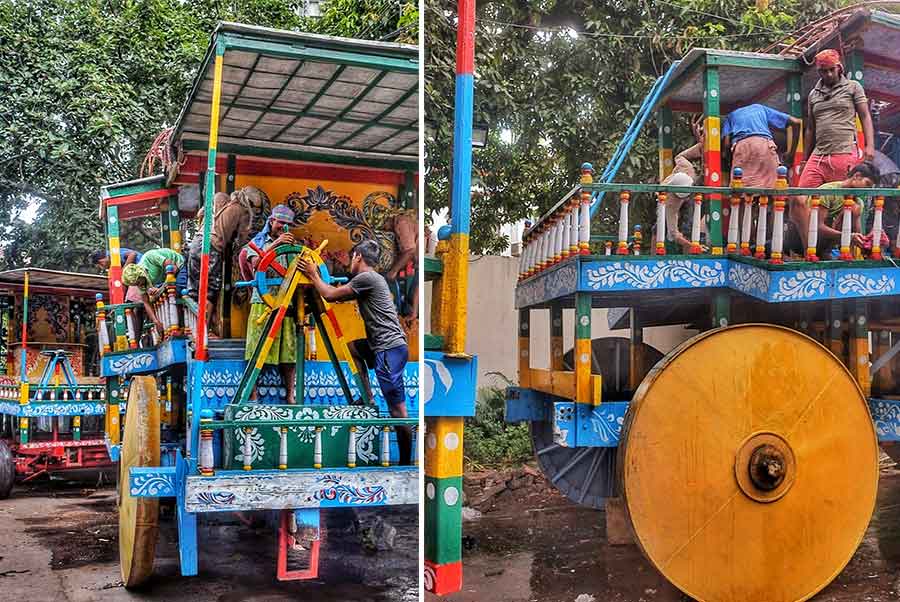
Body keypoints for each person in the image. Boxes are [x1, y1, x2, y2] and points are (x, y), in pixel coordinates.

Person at [299, 239, 411, 466]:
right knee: (353, 348)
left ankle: (406, 465)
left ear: (358, 256)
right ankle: (367, 396)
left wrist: (313, 275)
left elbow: (330, 295)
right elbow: (339, 293)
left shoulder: (368, 278)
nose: (350, 261)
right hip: (381, 346)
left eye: (351, 258)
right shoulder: (369, 279)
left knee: (397, 410)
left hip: (389, 349)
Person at [242, 204, 299, 404]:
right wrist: (275, 245)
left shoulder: (292, 245)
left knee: (289, 351)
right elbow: (256, 263)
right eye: (280, 223)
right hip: (262, 301)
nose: (283, 228)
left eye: (287, 225)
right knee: (256, 348)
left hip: (287, 302)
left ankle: (291, 394)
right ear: (271, 221)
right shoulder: (256, 242)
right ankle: (253, 394)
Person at [798, 49, 875, 187]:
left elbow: (865, 116)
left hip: (844, 153)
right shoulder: (813, 95)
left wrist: (870, 146)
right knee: (801, 197)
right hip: (818, 155)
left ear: (839, 67)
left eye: (831, 69)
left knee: (841, 203)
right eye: (823, 71)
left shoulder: (853, 87)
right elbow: (810, 128)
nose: (828, 74)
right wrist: (804, 160)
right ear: (818, 71)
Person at [188, 191, 251, 335]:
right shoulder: (242, 211)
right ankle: (204, 331)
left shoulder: (218, 202)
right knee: (211, 291)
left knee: (195, 290)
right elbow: (243, 238)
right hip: (212, 247)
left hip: (196, 243)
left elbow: (200, 214)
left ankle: (194, 329)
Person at [787, 161, 880, 256]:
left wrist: (866, 241)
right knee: (799, 199)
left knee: (854, 208)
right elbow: (818, 226)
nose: (867, 189)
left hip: (825, 244)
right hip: (801, 239)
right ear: (857, 176)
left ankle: (844, 256)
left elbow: (856, 233)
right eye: (867, 184)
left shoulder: (858, 202)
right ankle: (808, 253)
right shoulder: (829, 190)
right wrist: (847, 235)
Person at [722, 103, 801, 189]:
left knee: (739, 190)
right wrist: (791, 154)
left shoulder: (731, 116)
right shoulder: (759, 108)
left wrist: (729, 160)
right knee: (774, 189)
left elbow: (726, 144)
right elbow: (796, 122)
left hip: (741, 148)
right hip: (764, 145)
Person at [121, 248, 187, 336]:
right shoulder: (141, 282)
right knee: (158, 298)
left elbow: (173, 268)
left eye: (138, 282)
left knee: (176, 293)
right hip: (164, 278)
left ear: (140, 274)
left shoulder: (150, 257)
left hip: (179, 266)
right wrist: (156, 321)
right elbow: (146, 302)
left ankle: (181, 327)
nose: (139, 285)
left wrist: (162, 287)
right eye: (136, 284)